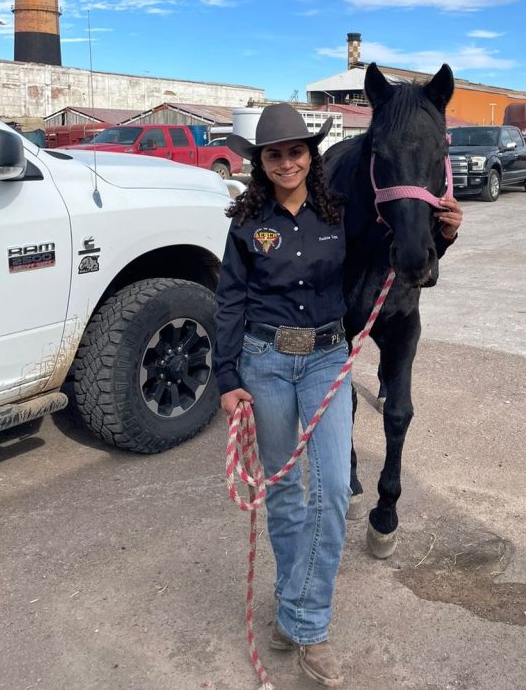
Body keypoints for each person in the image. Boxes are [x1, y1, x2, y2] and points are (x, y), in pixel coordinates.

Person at [215, 103, 462, 688]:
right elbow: (229, 300)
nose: (287, 163)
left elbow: (396, 260)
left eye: (297, 152)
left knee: (328, 496)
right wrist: (227, 380)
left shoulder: (342, 214)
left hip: (327, 357)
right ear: (262, 162)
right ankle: (299, 617)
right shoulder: (246, 223)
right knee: (285, 499)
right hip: (266, 362)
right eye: (274, 154)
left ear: (311, 155)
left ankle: (307, 625)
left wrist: (442, 237)